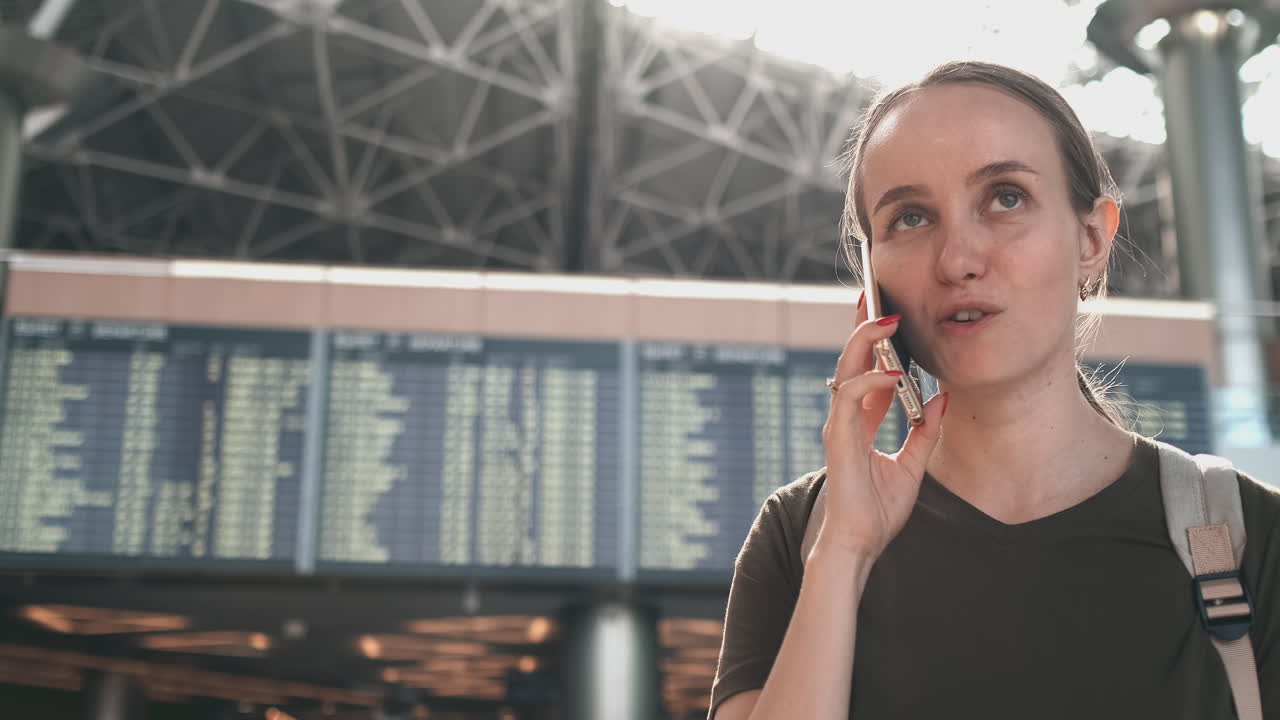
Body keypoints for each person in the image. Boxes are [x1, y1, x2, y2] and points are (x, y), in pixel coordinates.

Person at [709, 60, 1280, 719]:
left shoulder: (1249, 540)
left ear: (1092, 239)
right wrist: (844, 554)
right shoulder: (802, 536)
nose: (958, 259)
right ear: (871, 281)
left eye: (1005, 198)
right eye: (911, 219)